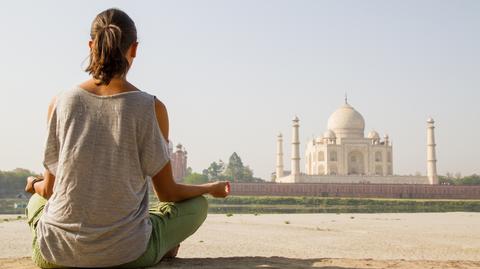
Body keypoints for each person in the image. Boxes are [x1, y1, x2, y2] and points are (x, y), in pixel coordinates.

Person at [24, 8, 230, 268]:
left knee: (36, 201)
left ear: (91, 45)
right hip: (127, 255)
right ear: (134, 49)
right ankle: (162, 244)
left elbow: (50, 190)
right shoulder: (151, 107)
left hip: (55, 256)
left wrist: (33, 183)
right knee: (197, 206)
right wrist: (210, 187)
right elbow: (167, 193)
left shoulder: (60, 102)